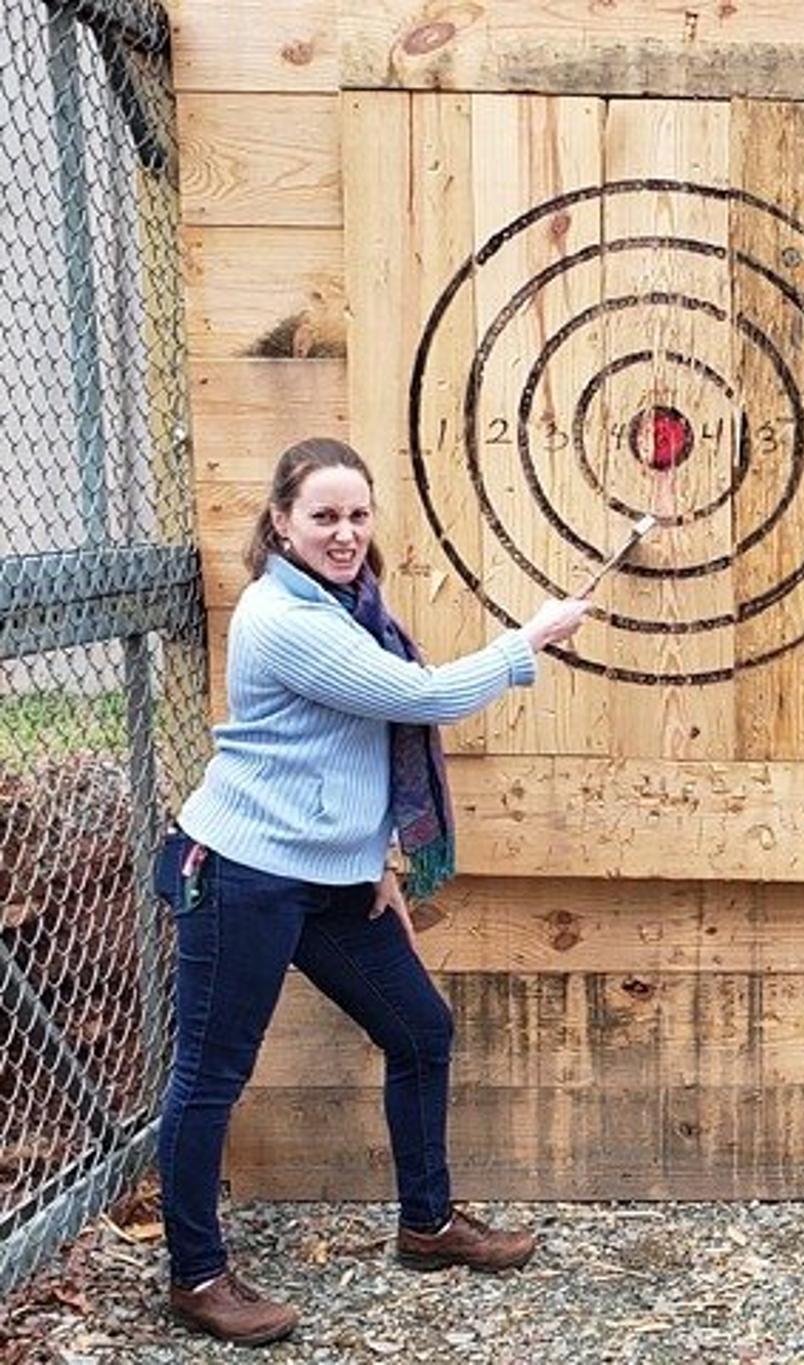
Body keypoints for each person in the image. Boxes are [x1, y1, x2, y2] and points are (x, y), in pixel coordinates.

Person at [152, 437, 589, 1346]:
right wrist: (529, 639)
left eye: (357, 515)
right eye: (323, 516)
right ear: (280, 523)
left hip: (327, 875)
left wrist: (375, 859)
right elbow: (417, 698)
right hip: (245, 872)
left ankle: (427, 1224)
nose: (345, 533)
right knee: (211, 1073)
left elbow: (342, 753)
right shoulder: (285, 618)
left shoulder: (352, 604)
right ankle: (196, 1275)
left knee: (419, 1029)